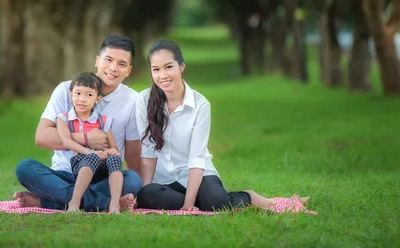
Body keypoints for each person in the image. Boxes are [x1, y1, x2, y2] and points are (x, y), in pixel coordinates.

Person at [135, 39, 316, 214]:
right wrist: (144, 193)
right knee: (147, 195)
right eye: (156, 69)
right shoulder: (144, 100)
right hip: (164, 179)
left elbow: (197, 158)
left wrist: (189, 204)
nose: (163, 75)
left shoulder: (200, 105)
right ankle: (197, 200)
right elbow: (148, 152)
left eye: (169, 67)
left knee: (217, 203)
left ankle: (249, 197)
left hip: (198, 173)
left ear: (181, 66)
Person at [15, 35, 142, 212]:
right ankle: (105, 203)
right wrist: (85, 138)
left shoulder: (133, 101)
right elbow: (41, 137)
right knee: (25, 168)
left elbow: (133, 153)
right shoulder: (66, 90)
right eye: (108, 60)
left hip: (102, 178)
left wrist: (140, 191)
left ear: (128, 70)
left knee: (133, 180)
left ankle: (50, 202)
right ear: (97, 61)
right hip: (63, 175)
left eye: (121, 64)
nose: (113, 68)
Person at [56, 72, 124, 213]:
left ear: (97, 99)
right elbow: (66, 141)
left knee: (116, 160)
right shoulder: (64, 118)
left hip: (101, 169)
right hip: (80, 164)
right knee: (92, 157)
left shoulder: (103, 121)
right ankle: (74, 202)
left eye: (89, 95)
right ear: (71, 95)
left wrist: (112, 152)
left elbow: (115, 149)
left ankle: (114, 204)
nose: (82, 99)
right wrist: (91, 152)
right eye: (78, 93)